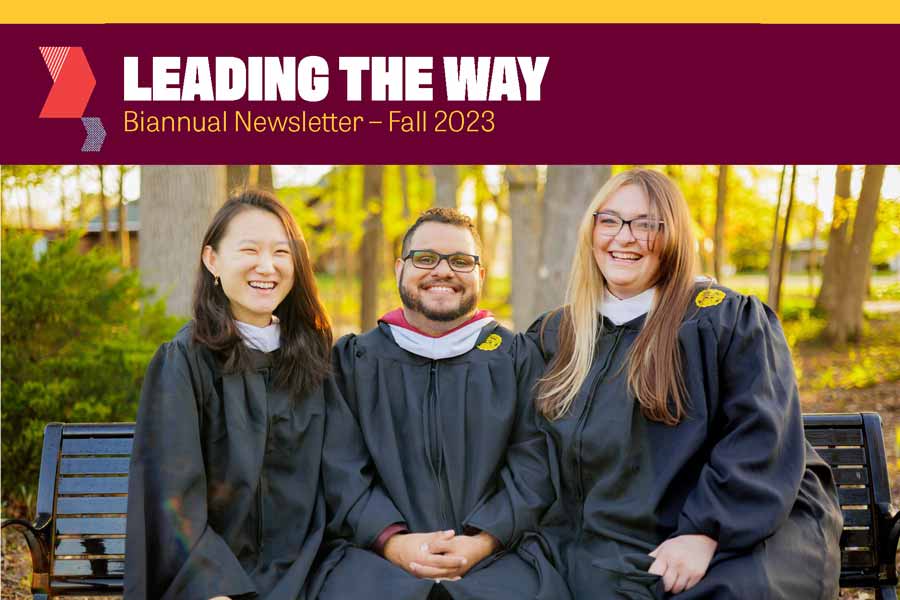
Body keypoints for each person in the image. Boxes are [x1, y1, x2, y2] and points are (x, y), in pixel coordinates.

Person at [529, 169, 842, 599]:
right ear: (592, 230)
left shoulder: (724, 322)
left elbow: (760, 433)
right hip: (608, 539)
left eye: (647, 224)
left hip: (743, 523)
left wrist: (707, 532)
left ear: (673, 236)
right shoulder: (557, 335)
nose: (625, 237)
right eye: (611, 220)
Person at [125, 191, 396, 600]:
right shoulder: (184, 362)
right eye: (249, 250)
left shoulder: (314, 359)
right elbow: (172, 497)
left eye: (281, 253)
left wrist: (390, 537)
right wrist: (209, 587)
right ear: (212, 260)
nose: (267, 267)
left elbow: (343, 472)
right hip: (216, 573)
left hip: (314, 566)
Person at [317, 208, 570, 600]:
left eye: (461, 261)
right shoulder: (353, 361)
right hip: (375, 557)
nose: (443, 271)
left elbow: (534, 464)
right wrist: (393, 542)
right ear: (400, 268)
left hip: (500, 554)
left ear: (480, 274)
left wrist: (482, 540)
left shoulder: (517, 358)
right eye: (425, 258)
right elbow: (341, 469)